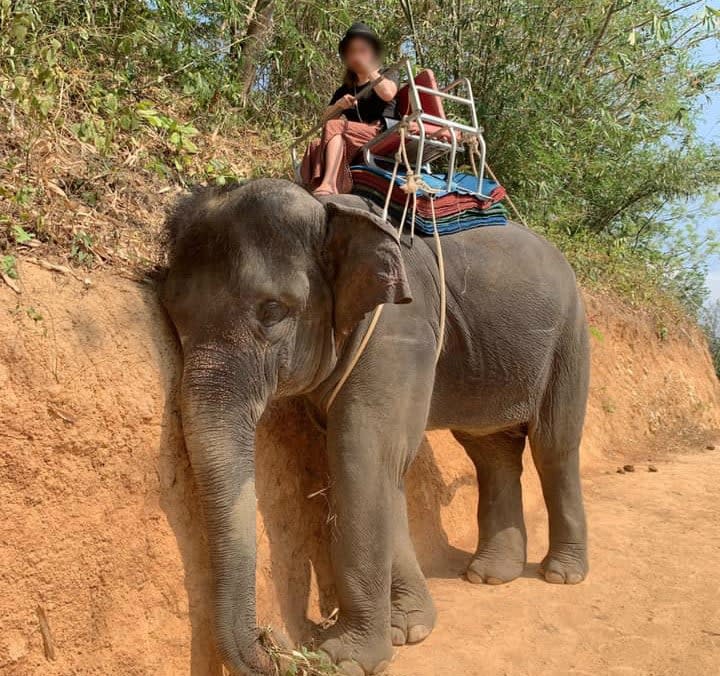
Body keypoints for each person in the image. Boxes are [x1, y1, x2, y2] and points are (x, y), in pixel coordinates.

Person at [301, 22, 398, 196]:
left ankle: (331, 184)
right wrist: (339, 105)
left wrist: (369, 68)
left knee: (334, 126)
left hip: (380, 130)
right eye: (352, 51)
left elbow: (388, 93)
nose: (357, 55)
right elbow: (324, 120)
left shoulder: (387, 73)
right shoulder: (346, 88)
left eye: (362, 50)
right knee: (316, 143)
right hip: (354, 136)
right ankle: (310, 187)